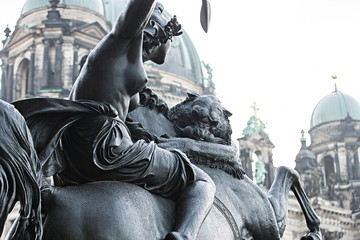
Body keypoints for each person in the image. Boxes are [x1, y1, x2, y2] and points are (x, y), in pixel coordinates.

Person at [63, 1, 215, 240]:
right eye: (172, 36)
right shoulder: (120, 42)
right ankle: (183, 236)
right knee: (202, 182)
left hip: (75, 151)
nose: (173, 42)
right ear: (152, 26)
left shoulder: (120, 57)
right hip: (107, 148)